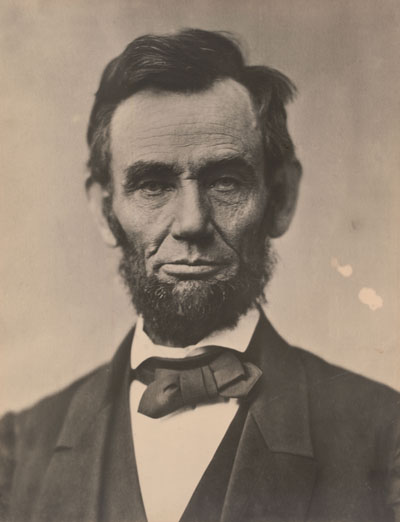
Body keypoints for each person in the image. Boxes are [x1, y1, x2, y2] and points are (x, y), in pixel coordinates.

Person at [0, 28, 399, 522]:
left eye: (225, 181)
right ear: (104, 211)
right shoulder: (17, 455)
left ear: (280, 198)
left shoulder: (386, 437)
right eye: (153, 185)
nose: (191, 223)